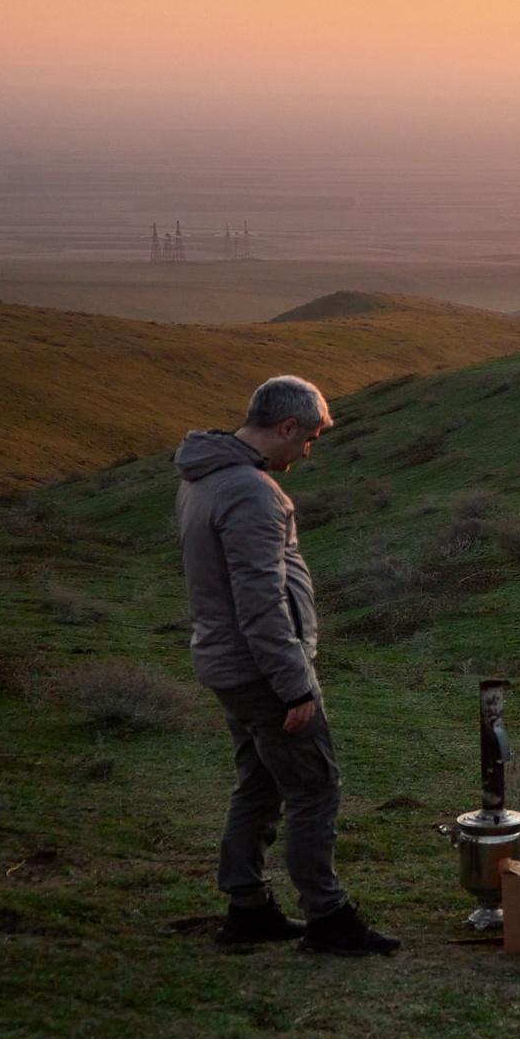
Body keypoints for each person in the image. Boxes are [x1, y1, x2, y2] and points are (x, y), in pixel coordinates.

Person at [175, 374, 398, 955]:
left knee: (259, 784)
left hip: (228, 664)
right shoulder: (251, 492)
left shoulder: (204, 478)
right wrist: (295, 687)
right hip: (262, 672)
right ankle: (327, 918)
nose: (306, 452)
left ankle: (247, 909)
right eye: (310, 439)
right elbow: (261, 603)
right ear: (286, 426)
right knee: (314, 788)